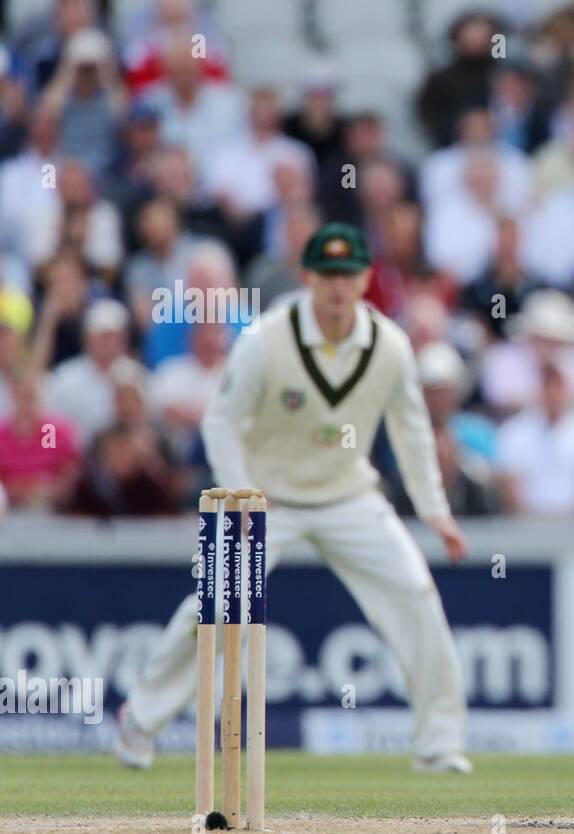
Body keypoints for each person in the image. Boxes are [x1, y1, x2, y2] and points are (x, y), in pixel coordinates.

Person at [115, 223, 473, 774]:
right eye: (326, 275)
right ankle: (140, 720)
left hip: (349, 494)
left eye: (348, 274)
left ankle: (439, 744)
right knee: (215, 604)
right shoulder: (265, 339)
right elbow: (222, 420)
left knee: (416, 596)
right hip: (267, 497)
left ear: (366, 279)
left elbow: (412, 432)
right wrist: (242, 496)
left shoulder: (391, 347)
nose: (337, 287)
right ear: (305, 277)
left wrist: (435, 513)